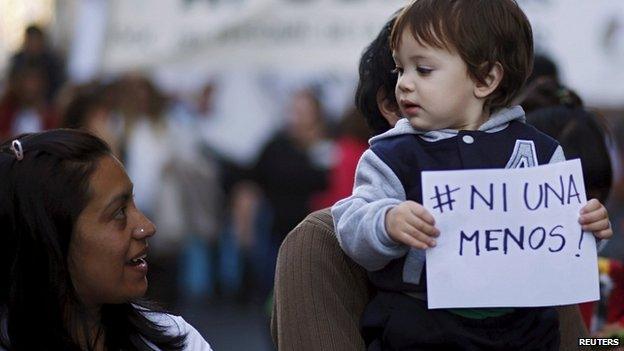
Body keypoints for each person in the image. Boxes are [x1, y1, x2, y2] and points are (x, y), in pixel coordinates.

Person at [272, 9, 594, 351]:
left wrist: (586, 231)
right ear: (388, 107)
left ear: (485, 81)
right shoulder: (335, 225)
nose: (406, 84)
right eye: (401, 71)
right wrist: (386, 221)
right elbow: (356, 222)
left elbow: (583, 337)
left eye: (423, 70)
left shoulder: (537, 152)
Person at [0, 129, 212, 350]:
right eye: (119, 212)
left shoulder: (177, 340)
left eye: (133, 202)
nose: (146, 227)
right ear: (50, 238)